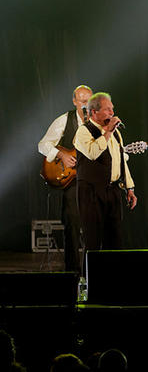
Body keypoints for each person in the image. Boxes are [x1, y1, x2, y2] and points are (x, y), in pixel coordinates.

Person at [38, 84, 93, 272]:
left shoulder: (99, 122)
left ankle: (91, 271)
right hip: (72, 181)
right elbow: (43, 145)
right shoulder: (64, 120)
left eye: (89, 101)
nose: (86, 105)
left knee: (93, 227)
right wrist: (61, 155)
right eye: (82, 101)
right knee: (72, 225)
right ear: (74, 101)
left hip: (92, 181)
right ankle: (72, 271)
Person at [74, 92, 137, 252]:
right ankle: (89, 269)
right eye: (108, 109)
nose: (112, 113)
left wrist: (129, 188)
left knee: (115, 240)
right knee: (93, 240)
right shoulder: (84, 131)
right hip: (91, 191)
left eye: (112, 109)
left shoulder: (116, 133)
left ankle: (112, 269)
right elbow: (93, 153)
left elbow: (120, 160)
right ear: (94, 112)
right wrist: (107, 132)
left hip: (112, 190)